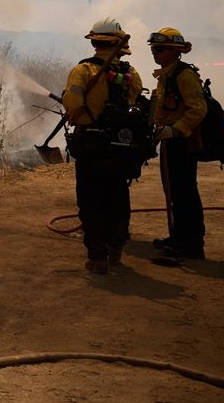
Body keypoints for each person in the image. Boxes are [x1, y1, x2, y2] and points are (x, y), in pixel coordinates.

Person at [61, 18, 144, 275]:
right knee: (117, 196)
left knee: (90, 200)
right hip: (122, 146)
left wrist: (80, 113)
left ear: (95, 41)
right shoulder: (132, 74)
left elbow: (73, 103)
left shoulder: (83, 70)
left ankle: (98, 258)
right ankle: (116, 249)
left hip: (92, 144)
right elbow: (136, 101)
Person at [148, 27, 208, 260]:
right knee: (174, 192)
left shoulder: (184, 75)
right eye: (153, 49)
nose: (155, 53)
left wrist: (175, 130)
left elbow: (199, 109)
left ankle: (192, 245)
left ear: (175, 51)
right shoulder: (166, 74)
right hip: (170, 141)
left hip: (183, 141)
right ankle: (179, 237)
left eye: (160, 49)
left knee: (185, 193)